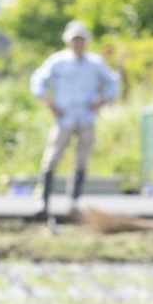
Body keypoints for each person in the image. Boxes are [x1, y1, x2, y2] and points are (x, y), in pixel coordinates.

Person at [29, 20, 121, 222]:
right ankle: (43, 201)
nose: (78, 44)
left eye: (81, 40)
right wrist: (48, 102)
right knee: (51, 158)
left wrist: (103, 99)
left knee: (81, 160)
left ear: (86, 42)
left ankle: (73, 203)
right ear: (68, 42)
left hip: (86, 117)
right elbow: (38, 80)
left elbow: (113, 82)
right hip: (63, 117)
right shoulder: (58, 61)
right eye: (74, 40)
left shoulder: (95, 63)